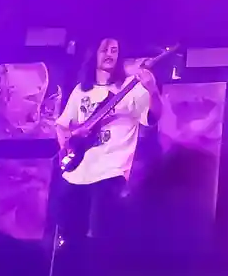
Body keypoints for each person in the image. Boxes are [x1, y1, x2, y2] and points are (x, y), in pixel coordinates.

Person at [54, 37, 162, 243]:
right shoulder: (81, 90)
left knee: (99, 239)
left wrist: (153, 90)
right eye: (104, 50)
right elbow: (61, 125)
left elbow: (154, 116)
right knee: (68, 237)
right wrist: (67, 144)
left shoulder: (130, 87)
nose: (109, 54)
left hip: (109, 173)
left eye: (114, 50)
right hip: (75, 174)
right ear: (94, 54)